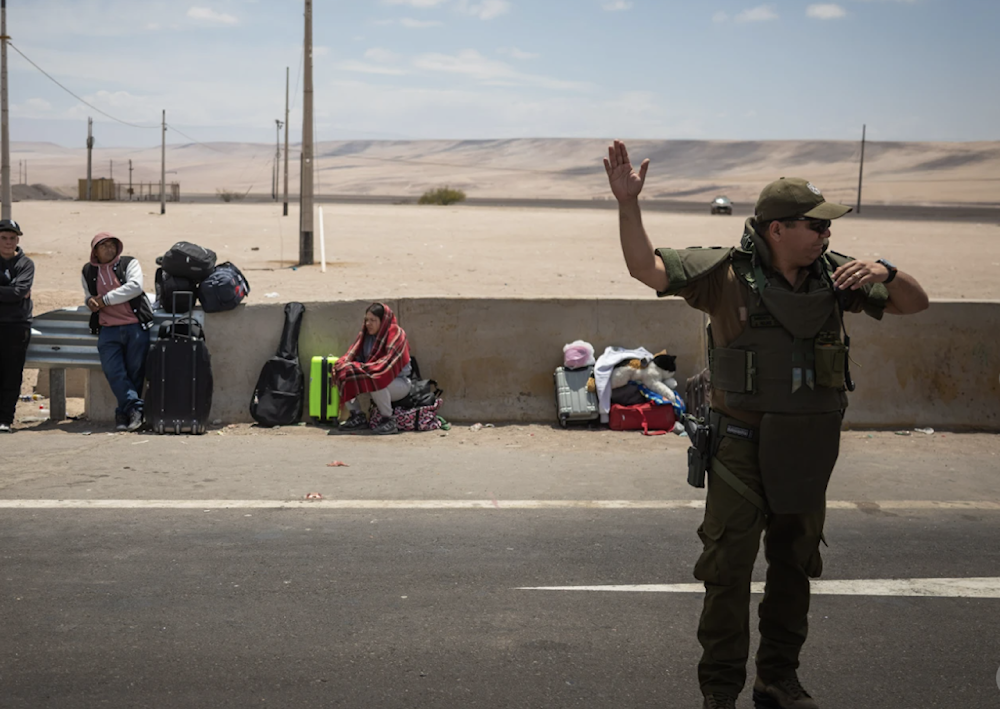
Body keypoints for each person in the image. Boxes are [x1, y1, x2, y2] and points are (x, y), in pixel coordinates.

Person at [604, 140, 929, 709]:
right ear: (777, 229)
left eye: (828, 227)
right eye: (814, 225)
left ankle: (777, 678)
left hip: (806, 449)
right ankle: (720, 692)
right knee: (727, 571)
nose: (826, 235)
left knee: (793, 569)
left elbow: (915, 303)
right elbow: (645, 267)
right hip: (739, 448)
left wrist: (888, 269)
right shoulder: (723, 277)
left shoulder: (840, 277)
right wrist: (629, 204)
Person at [81, 232, 154, 432]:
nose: (109, 249)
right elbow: (88, 294)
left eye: (112, 245)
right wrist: (90, 302)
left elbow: (135, 287)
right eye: (103, 246)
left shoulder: (129, 263)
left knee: (135, 373)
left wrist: (104, 300)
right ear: (95, 251)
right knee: (114, 372)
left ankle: (124, 414)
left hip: (135, 326)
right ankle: (136, 409)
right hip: (108, 329)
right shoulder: (88, 271)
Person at [334, 302, 412, 435]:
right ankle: (357, 416)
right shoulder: (365, 336)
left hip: (398, 383)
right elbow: (354, 358)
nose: (368, 324)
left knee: (376, 380)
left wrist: (364, 369)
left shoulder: (396, 335)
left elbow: (385, 366)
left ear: (383, 321)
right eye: (366, 320)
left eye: (373, 320)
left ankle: (389, 420)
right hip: (371, 375)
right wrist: (346, 366)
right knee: (343, 372)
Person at [0, 219, 34, 433]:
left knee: (11, 375)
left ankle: (5, 418)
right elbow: (14, 292)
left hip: (16, 327)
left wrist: (15, 292)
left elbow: (18, 292)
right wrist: (11, 292)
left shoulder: (25, 264)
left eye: (12, 238)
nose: (8, 242)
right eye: (3, 238)